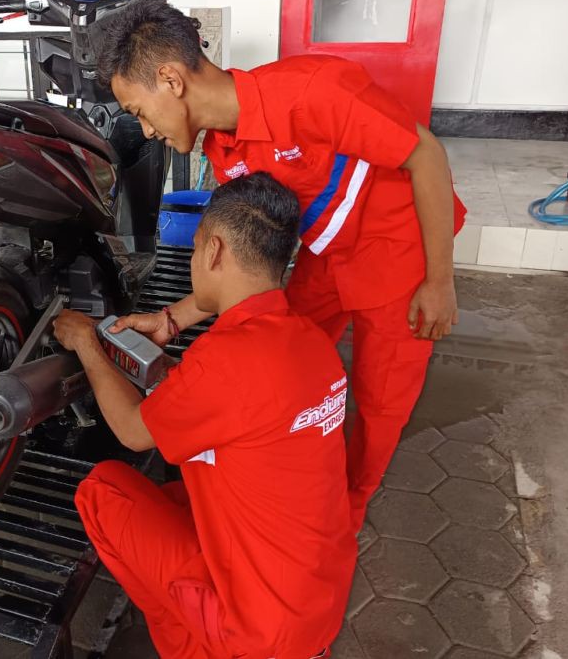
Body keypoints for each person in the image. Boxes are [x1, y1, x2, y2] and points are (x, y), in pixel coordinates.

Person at [99, 0, 466, 532]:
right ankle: (273, 468)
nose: (148, 131)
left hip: (399, 255)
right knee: (272, 356)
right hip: (327, 254)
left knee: (381, 403)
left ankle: (345, 513)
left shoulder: (313, 92)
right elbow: (241, 269)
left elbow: (426, 154)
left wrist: (439, 281)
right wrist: (172, 319)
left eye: (139, 112)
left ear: (171, 80)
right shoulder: (224, 151)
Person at [54, 173, 356, 659]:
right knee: (186, 490)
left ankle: (195, 644)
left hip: (256, 631)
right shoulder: (313, 343)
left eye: (194, 249)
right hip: (318, 604)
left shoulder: (227, 360)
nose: (194, 261)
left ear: (214, 250)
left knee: (103, 491)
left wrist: (87, 343)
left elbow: (134, 432)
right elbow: (226, 398)